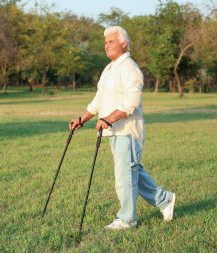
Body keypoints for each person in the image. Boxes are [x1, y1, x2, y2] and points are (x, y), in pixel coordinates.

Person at [69, 26, 176, 230]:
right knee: (131, 171)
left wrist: (109, 118)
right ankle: (165, 200)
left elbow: (132, 101)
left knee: (124, 175)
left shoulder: (129, 67)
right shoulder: (109, 69)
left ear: (124, 44)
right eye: (105, 42)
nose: (106, 45)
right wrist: (82, 119)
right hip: (114, 131)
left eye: (111, 41)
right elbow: (99, 99)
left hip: (127, 131)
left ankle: (127, 219)